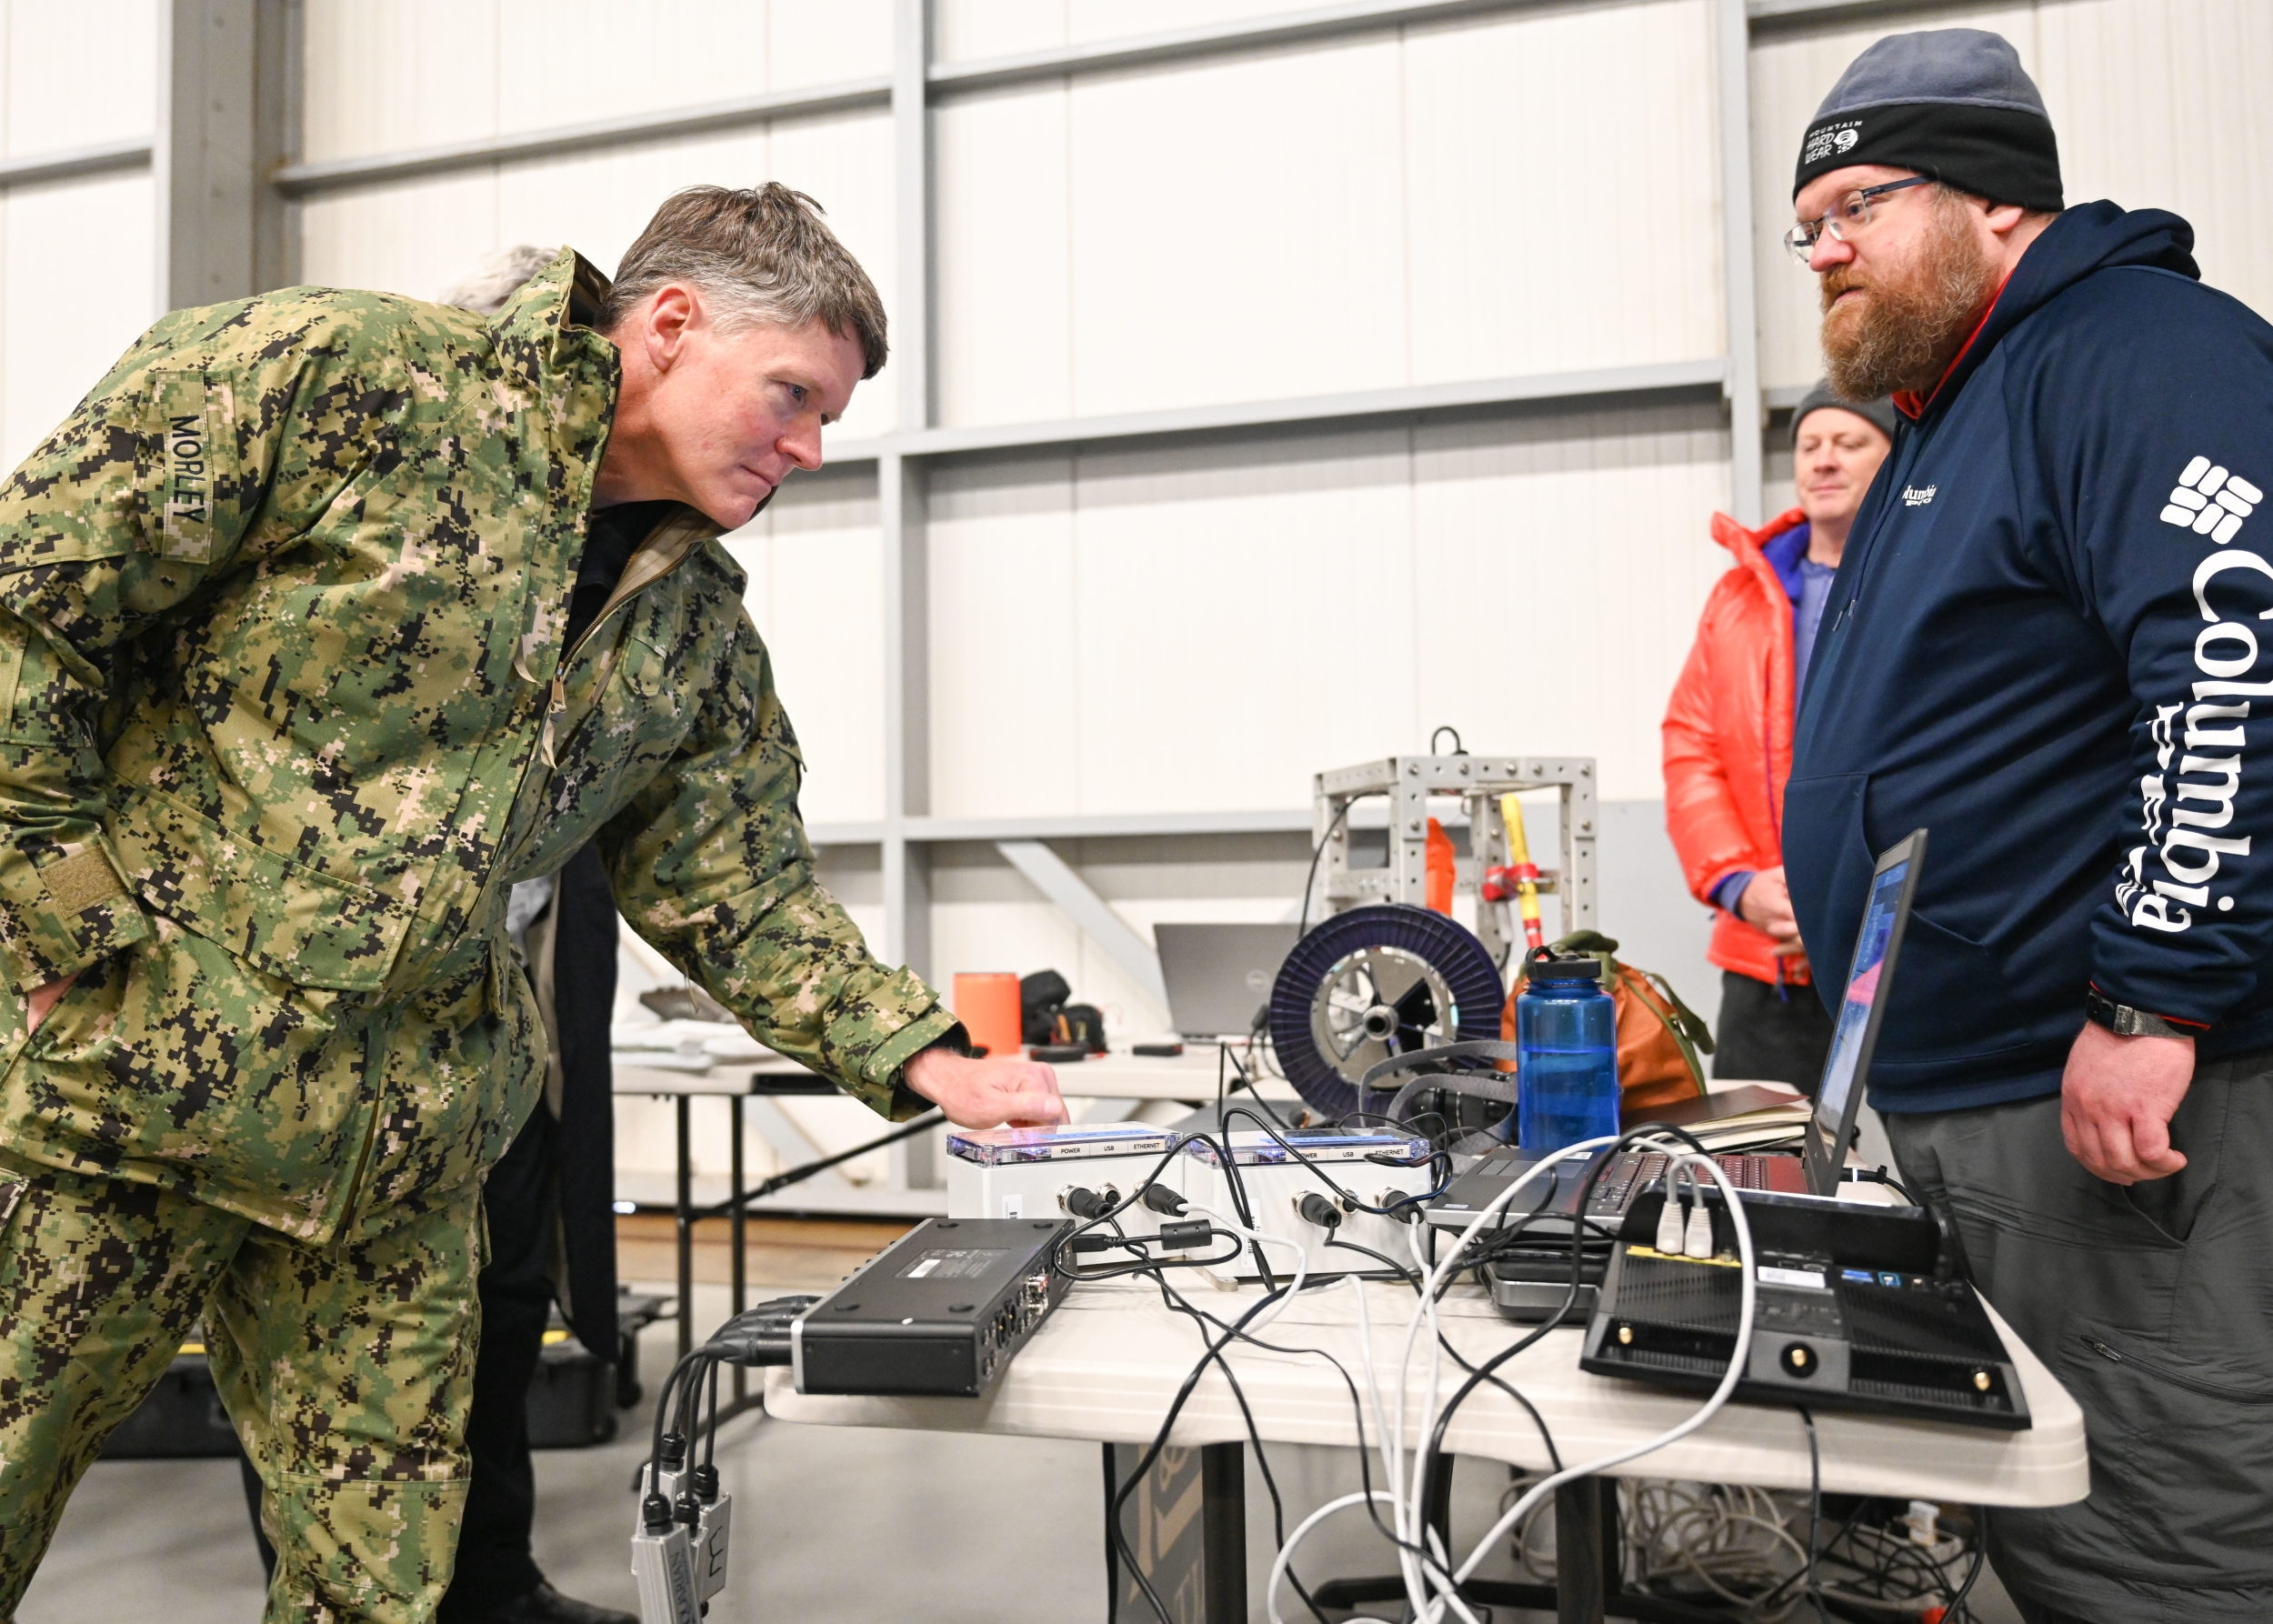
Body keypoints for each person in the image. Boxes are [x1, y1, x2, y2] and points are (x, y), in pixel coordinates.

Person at [0, 184, 1066, 1623]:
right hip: (121, 1104)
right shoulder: (336, 381)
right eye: (795, 394)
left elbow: (734, 883)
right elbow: (30, 606)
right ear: (672, 326)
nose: (812, 448)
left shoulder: (689, 622)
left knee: (383, 1598)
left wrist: (924, 1054)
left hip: (397, 1170)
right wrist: (68, 919)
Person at [1777, 28, 2273, 1624]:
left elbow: (2232, 657)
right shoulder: (1951, 406)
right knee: (2054, 1532)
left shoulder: (2139, 353)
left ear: (1995, 202)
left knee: (2153, 1538)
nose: (1825, 248)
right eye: (1808, 228)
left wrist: (2153, 994)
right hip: (1981, 1110)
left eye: (1858, 202)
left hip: (2113, 1107)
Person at [1663, 384, 1897, 1088]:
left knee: (1948, 1177)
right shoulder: (1738, 598)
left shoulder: (1926, 581)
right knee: (1762, 1174)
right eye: (1809, 445)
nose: (1824, 461)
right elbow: (1691, 744)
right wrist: (1738, 885)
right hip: (1770, 958)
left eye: (1850, 443)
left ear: (1896, 459)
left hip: (1906, 948)